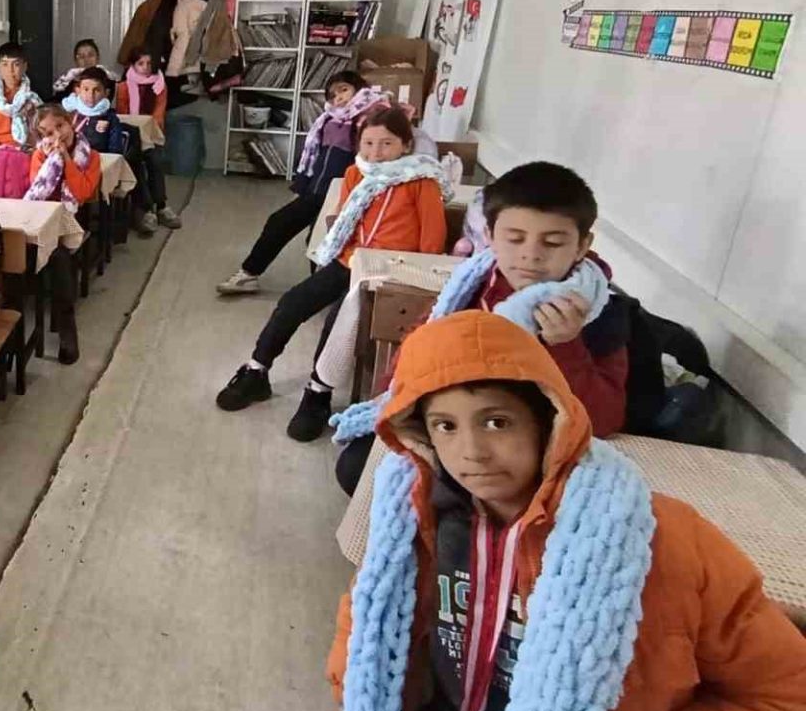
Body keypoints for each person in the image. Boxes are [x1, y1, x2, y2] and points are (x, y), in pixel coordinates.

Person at [281, 311, 806, 711]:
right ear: (421, 435)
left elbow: (786, 696)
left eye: (497, 421)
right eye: (445, 425)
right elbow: (368, 636)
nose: (472, 451)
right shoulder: (414, 525)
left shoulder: (663, 542)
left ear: (549, 421)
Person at [327, 161, 631, 492]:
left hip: (528, 446)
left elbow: (603, 420)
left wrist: (565, 345)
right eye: (515, 238)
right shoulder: (470, 287)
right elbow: (419, 345)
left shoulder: (598, 312)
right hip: (455, 421)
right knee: (356, 466)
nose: (531, 255)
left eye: (553, 243)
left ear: (582, 246)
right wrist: (395, 398)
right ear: (489, 236)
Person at [215, 108, 448, 441]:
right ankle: (256, 371)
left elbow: (431, 243)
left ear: (406, 145)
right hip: (349, 262)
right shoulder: (355, 173)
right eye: (368, 143)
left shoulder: (421, 181)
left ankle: (318, 392)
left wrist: (401, 279)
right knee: (292, 303)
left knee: (337, 321)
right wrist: (341, 252)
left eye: (387, 143)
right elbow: (343, 221)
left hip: (388, 273)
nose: (376, 152)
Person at [218, 71, 388, 295]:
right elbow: (315, 157)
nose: (339, 98)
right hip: (316, 191)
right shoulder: (329, 120)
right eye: (333, 95)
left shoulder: (370, 118)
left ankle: (319, 292)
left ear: (359, 88)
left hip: (343, 195)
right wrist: (302, 186)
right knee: (281, 223)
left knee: (318, 240)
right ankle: (250, 275)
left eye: (344, 89)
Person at [25, 103, 102, 365]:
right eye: (48, 133)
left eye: (60, 126)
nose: (57, 135)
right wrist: (50, 161)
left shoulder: (91, 156)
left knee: (59, 259)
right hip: (43, 219)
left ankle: (67, 332)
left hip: (71, 221)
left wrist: (65, 160)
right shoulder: (39, 156)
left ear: (71, 122)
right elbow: (37, 192)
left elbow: (82, 192)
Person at [62, 66, 174, 237]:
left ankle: (85, 228)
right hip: (74, 165)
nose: (90, 95)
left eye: (96, 90)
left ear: (106, 93)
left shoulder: (109, 118)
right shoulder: (71, 115)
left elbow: (115, 151)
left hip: (99, 167)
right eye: (85, 89)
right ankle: (70, 227)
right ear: (77, 91)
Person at [116, 48, 180, 233]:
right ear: (133, 65)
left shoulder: (159, 84)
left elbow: (158, 114)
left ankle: (161, 206)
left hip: (152, 134)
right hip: (132, 137)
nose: (145, 67)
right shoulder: (124, 86)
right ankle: (145, 209)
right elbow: (123, 115)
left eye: (149, 63)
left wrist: (148, 133)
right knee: (135, 163)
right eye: (140, 63)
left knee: (154, 160)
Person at [0, 42, 44, 149]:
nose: (10, 70)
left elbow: (41, 127)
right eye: (5, 65)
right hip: (0, 149)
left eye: (16, 64)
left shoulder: (31, 96)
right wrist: (1, 150)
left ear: (25, 67)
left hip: (27, 147)